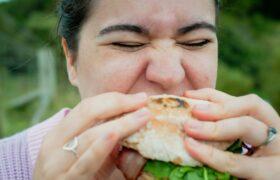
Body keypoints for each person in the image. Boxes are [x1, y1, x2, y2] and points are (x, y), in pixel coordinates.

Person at [1, 0, 280, 179]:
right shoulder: (8, 166)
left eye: (196, 41)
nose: (169, 76)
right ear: (71, 59)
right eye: (127, 43)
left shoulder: (256, 161)